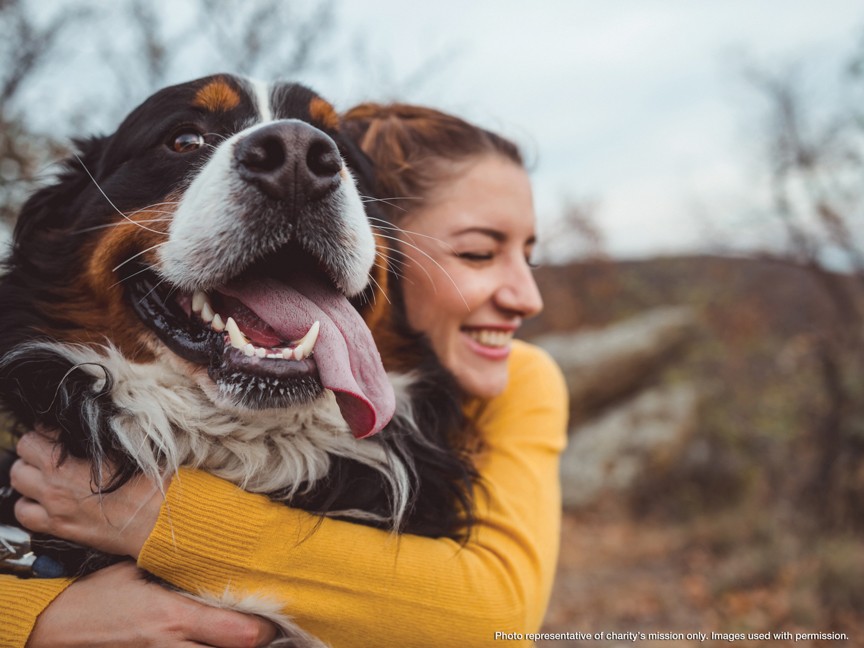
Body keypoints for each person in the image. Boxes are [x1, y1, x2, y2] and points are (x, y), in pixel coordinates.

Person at [1, 103, 569, 647]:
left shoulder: (520, 380)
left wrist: (158, 520)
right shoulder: (34, 460)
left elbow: (497, 615)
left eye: (530, 256)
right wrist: (34, 618)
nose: (529, 298)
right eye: (477, 254)